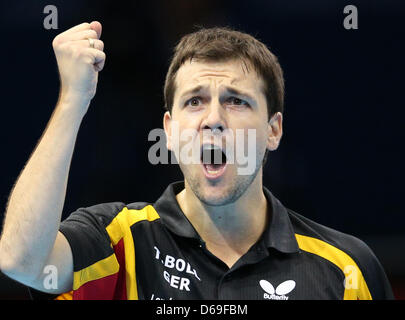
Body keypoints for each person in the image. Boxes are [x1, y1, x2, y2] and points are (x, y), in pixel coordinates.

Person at [0, 21, 394, 300]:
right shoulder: (119, 242)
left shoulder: (345, 269)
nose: (214, 120)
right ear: (169, 131)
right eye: (195, 101)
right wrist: (73, 100)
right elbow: (20, 260)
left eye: (236, 101)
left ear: (273, 130)